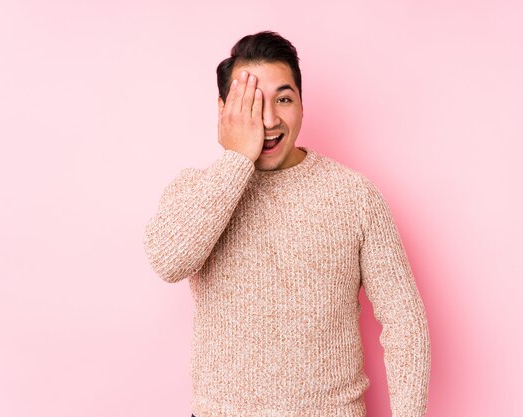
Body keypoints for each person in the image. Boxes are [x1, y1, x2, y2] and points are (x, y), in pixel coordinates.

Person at [143, 30, 431, 417]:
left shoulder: (354, 195)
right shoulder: (198, 190)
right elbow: (168, 260)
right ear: (223, 110)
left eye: (283, 99)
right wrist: (236, 160)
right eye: (250, 104)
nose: (269, 119)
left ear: (301, 104)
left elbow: (405, 324)